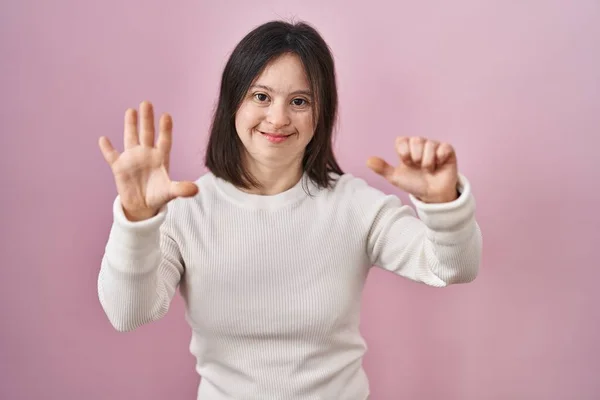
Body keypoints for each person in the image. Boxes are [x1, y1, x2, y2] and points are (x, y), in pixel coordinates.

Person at [97, 20, 482, 400]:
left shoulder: (354, 206)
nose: (278, 118)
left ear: (321, 114)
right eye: (261, 96)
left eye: (299, 101)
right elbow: (128, 312)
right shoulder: (186, 211)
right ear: (234, 102)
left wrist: (442, 205)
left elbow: (451, 266)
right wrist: (136, 223)